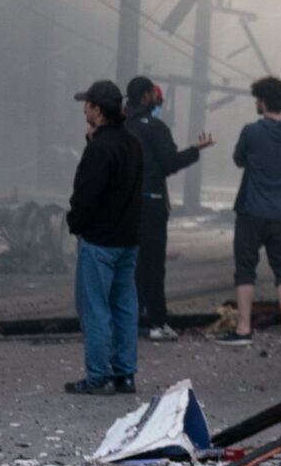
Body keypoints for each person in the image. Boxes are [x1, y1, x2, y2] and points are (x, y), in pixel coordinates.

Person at [65, 78, 144, 395]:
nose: (84, 108)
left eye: (87, 104)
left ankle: (98, 376)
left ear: (97, 110)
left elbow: (87, 193)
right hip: (128, 238)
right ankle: (125, 374)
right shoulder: (133, 143)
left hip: (99, 240)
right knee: (124, 305)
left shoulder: (99, 148)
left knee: (94, 308)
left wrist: (75, 223)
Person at [219, 75, 281, 347]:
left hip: (251, 210)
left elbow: (238, 159)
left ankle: (243, 329)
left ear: (263, 102)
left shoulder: (251, 131)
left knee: (245, 269)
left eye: (257, 99)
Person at [126, 75, 212, 340]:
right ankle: (157, 322)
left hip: (124, 205)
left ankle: (131, 317)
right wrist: (195, 150)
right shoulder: (156, 127)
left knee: (130, 263)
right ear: (145, 96)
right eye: (153, 94)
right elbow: (169, 163)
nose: (156, 100)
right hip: (151, 202)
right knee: (153, 264)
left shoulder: (120, 126)